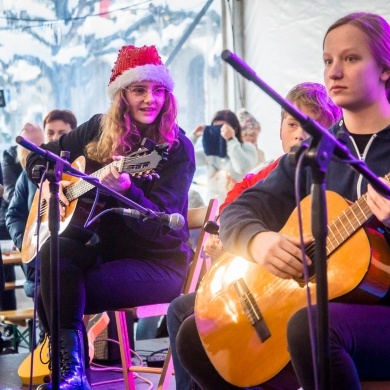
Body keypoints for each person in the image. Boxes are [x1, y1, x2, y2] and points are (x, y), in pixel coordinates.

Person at [200, 11, 390, 390]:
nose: (334, 72)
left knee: (310, 327)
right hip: (323, 310)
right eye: (328, 61)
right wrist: (259, 241)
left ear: (385, 68)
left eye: (350, 59)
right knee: (197, 329)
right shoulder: (314, 153)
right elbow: (238, 210)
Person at [25, 45, 195, 389]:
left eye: (159, 90)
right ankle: (71, 374)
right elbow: (36, 160)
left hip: (158, 262)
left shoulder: (176, 149)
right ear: (121, 95)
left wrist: (129, 190)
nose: (151, 99)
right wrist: (52, 182)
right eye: (139, 90)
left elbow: (161, 228)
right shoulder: (96, 130)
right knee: (53, 255)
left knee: (61, 288)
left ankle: (70, 375)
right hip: (108, 251)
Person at [168, 82, 341, 390]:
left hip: (300, 297)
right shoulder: (278, 169)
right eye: (292, 124)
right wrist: (245, 238)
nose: (300, 134)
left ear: (333, 128)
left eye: (312, 126)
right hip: (262, 283)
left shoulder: (334, 171)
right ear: (280, 128)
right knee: (187, 315)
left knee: (192, 318)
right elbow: (236, 200)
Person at [6, 110, 77, 299]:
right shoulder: (30, 174)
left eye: (62, 133)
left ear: (73, 135)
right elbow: (13, 215)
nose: (55, 137)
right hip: (37, 272)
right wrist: (28, 245)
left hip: (72, 264)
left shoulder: (80, 171)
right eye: (50, 133)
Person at [191, 110, 258, 202]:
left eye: (222, 128)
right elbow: (186, 158)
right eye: (215, 128)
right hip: (213, 210)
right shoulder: (210, 153)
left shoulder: (246, 148)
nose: (219, 132)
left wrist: (230, 139)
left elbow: (242, 168)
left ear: (235, 129)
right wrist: (194, 136)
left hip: (238, 207)